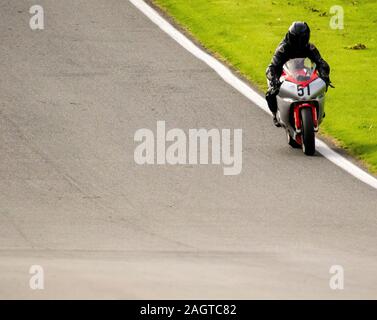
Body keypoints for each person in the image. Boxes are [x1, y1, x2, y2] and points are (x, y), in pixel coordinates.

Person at [266, 21, 332, 127]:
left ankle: (319, 109)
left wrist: (325, 75)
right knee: (270, 93)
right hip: (282, 72)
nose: (299, 43)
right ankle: (275, 114)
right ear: (291, 37)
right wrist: (274, 81)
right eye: (296, 39)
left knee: (322, 85)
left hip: (300, 71)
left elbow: (321, 62)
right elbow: (271, 67)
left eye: (302, 39)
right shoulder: (283, 49)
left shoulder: (310, 47)